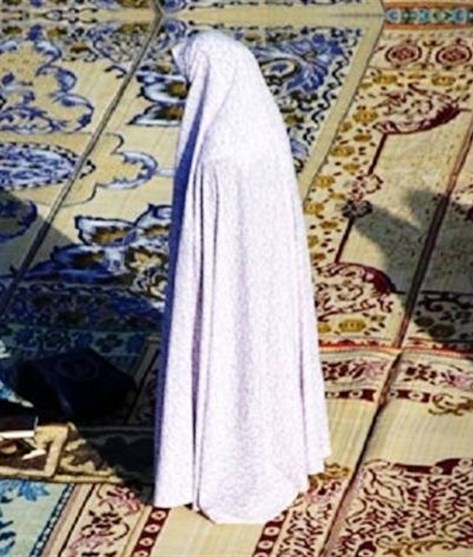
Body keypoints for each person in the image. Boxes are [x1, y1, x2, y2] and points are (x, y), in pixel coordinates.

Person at [153, 31, 331, 524]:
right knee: (267, 352)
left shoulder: (218, 155)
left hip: (232, 287)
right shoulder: (260, 120)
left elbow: (206, 250)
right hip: (269, 281)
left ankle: (232, 455)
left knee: (232, 353)